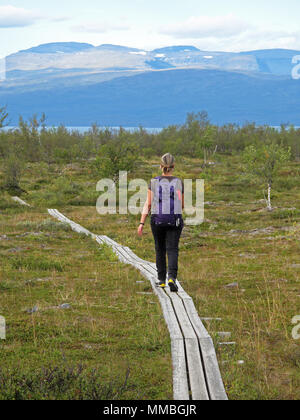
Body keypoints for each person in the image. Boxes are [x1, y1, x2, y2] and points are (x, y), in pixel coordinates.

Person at [138, 153, 184, 292]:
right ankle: (172, 278)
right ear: (173, 166)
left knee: (159, 248)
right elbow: (181, 205)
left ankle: (161, 280)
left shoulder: (153, 182)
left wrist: (141, 223)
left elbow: (148, 204)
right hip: (174, 221)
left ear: (160, 166)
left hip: (157, 220)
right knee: (172, 249)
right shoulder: (178, 182)